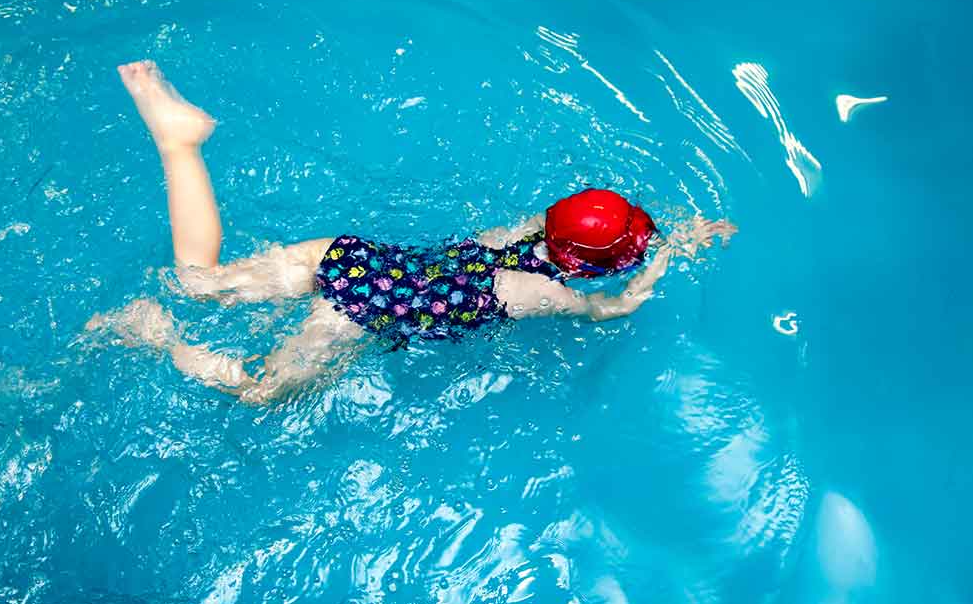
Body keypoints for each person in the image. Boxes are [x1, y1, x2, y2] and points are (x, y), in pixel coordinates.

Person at [88, 60, 736, 404]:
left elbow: (575, 234)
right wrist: (669, 257)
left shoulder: (522, 230)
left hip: (349, 258)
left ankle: (180, 145)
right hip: (356, 312)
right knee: (261, 392)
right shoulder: (547, 294)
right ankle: (159, 337)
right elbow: (611, 307)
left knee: (198, 281)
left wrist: (662, 237)